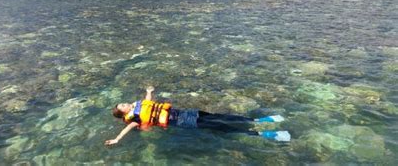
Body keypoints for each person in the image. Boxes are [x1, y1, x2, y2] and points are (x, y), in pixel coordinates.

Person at [105, 86, 290, 146]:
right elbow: (127, 128)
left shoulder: (139, 105)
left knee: (218, 116)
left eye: (123, 102)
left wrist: (149, 91)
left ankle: (256, 121)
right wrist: (116, 139)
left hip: (183, 113)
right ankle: (260, 134)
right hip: (181, 121)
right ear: (124, 112)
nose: (125, 103)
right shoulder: (134, 119)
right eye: (123, 106)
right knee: (219, 126)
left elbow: (148, 101)